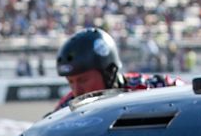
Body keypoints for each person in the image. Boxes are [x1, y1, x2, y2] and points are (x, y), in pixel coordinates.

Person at [54, 27, 182, 109]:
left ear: (109, 72)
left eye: (83, 80)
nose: (77, 91)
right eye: (71, 82)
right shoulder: (66, 108)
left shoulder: (155, 88)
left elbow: (194, 99)